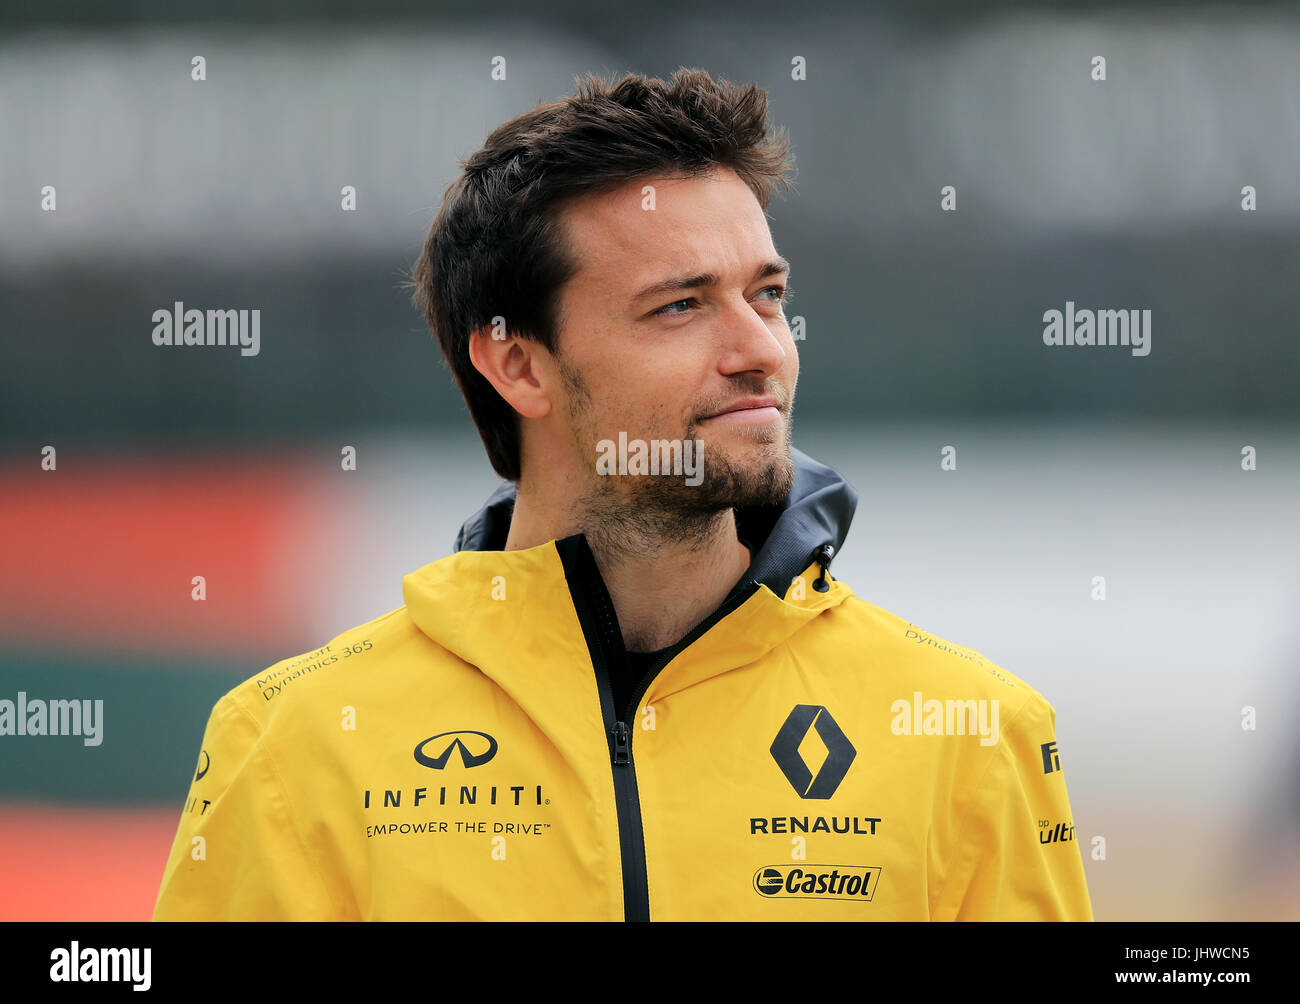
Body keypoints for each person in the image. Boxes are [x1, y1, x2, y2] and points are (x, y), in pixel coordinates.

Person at [153, 67, 1093, 921]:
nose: (759, 349)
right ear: (519, 363)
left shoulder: (976, 733)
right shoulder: (292, 744)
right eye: (680, 305)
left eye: (767, 295)